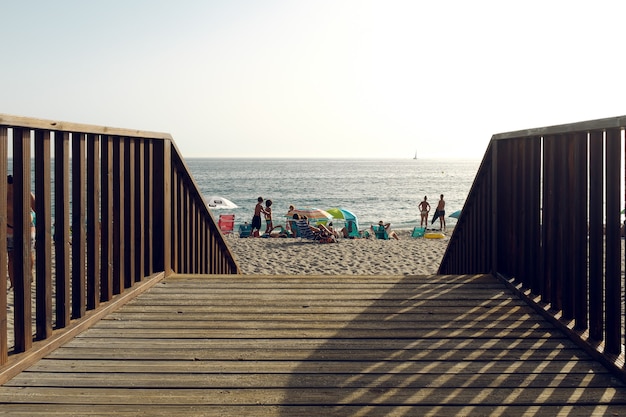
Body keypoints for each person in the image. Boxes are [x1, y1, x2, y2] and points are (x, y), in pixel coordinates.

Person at [7, 174, 36, 289]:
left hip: (20, 228)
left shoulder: (25, 194)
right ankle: (18, 280)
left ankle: (18, 280)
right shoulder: (23, 193)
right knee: (22, 255)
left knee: (17, 256)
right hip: (18, 228)